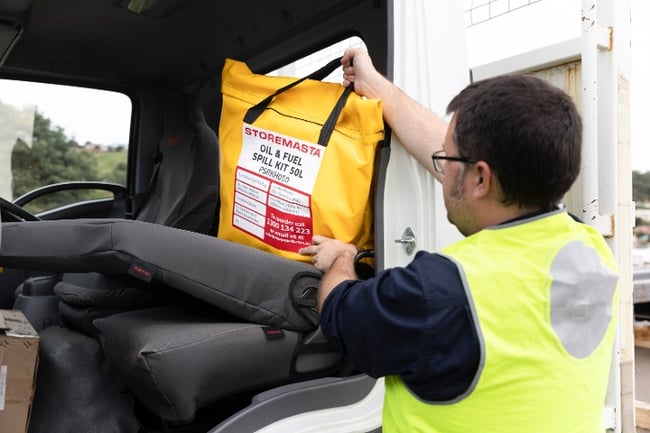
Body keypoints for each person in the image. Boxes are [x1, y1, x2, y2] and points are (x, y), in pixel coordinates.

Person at [299, 48, 620, 432]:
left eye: (447, 159)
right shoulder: (594, 252)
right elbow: (473, 158)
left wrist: (341, 260)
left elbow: (341, 317)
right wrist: (375, 86)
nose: (442, 167)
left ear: (482, 179)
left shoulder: (442, 291)